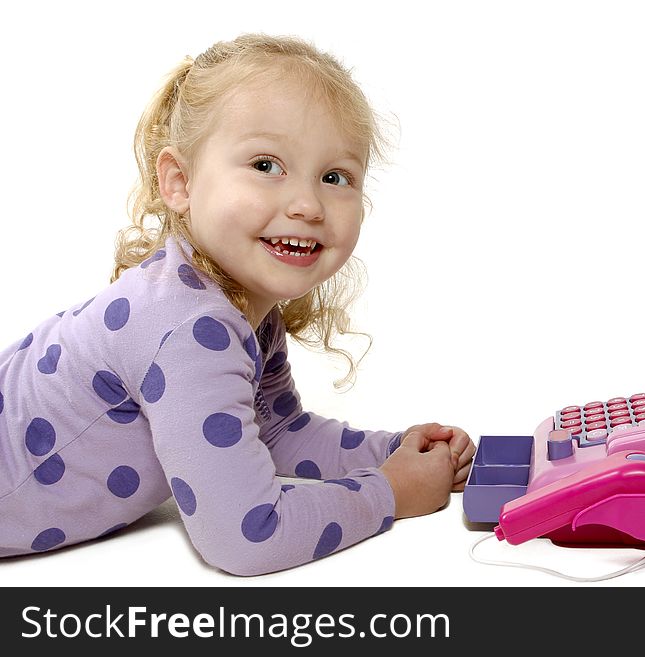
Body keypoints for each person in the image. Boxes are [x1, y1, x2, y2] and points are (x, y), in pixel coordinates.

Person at [0, 33, 474, 576]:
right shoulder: (190, 326)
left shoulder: (237, 306)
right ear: (180, 182)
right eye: (267, 165)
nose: (307, 204)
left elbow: (273, 431)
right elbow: (247, 535)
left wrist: (391, 451)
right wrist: (390, 493)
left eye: (335, 176)